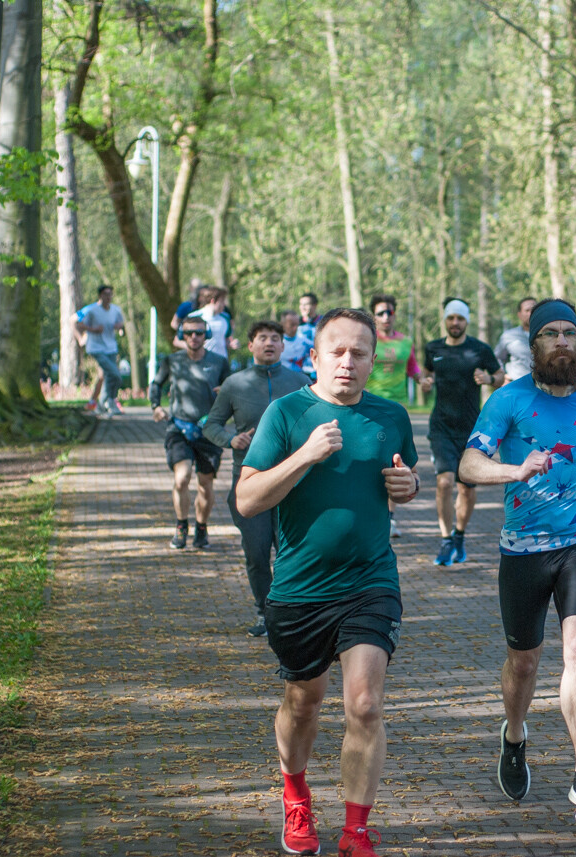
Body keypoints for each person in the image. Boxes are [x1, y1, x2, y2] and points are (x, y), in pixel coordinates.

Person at [235, 308, 419, 857]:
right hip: (298, 589)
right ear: (313, 356)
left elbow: (401, 483)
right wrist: (306, 454)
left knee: (364, 704)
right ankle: (295, 796)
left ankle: (356, 831)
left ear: (372, 360)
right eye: (336, 351)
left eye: (359, 353)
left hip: (370, 581)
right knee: (304, 702)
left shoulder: (391, 416)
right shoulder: (286, 413)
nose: (347, 362)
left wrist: (407, 485)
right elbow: (247, 499)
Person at [460, 297, 576, 823]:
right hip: (522, 550)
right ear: (533, 345)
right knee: (525, 661)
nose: (561, 341)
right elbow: (468, 463)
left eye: (569, 334)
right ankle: (514, 734)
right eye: (550, 334)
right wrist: (512, 471)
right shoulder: (507, 401)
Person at [203, 320, 310, 638]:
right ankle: (266, 613)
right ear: (250, 346)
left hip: (294, 483)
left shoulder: (300, 381)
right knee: (257, 551)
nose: (269, 343)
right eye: (262, 338)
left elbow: (319, 418)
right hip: (249, 483)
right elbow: (212, 424)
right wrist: (230, 440)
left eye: (276, 338)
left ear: (282, 346)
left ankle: (293, 611)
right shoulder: (235, 384)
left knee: (292, 552)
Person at [420, 298, 503, 565]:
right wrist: (425, 382)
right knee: (444, 481)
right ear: (445, 320)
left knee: (466, 488)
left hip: (471, 429)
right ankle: (445, 540)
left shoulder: (480, 349)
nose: (455, 323)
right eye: (451, 318)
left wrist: (489, 379)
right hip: (441, 426)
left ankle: (459, 536)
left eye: (460, 318)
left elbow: (500, 375)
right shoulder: (433, 348)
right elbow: (426, 373)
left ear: (466, 321)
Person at [150, 316, 231, 550]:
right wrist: (156, 407)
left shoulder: (219, 361)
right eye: (188, 333)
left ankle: (202, 528)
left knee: (205, 483)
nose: (193, 337)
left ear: (206, 336)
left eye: (198, 333)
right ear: (182, 336)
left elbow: (232, 388)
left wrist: (225, 392)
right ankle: (181, 525)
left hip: (209, 429)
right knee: (182, 477)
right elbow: (156, 384)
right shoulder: (172, 361)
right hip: (179, 427)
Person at [366, 294, 422, 539]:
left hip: (395, 410)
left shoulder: (406, 342)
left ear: (395, 315)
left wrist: (424, 380)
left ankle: (388, 520)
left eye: (389, 312)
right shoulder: (368, 340)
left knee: (394, 463)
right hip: (368, 406)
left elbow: (413, 369)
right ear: (373, 317)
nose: (386, 317)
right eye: (380, 313)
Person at [75, 285, 126, 417]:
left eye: (110, 294)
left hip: (111, 348)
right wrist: (84, 336)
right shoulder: (90, 309)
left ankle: (101, 403)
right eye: (105, 294)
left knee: (106, 376)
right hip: (96, 348)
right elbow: (74, 321)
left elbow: (121, 324)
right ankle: (109, 401)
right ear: (100, 296)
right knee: (114, 375)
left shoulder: (116, 310)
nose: (108, 297)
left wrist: (119, 327)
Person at [494, 296, 536, 383]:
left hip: (544, 387)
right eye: (527, 310)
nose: (531, 313)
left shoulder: (549, 335)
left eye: (534, 309)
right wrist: (503, 376)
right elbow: (497, 358)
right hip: (517, 385)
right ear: (519, 315)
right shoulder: (509, 336)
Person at [189, 286, 238, 358]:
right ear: (213, 301)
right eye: (222, 301)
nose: (224, 304)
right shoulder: (193, 317)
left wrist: (232, 343)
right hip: (201, 362)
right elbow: (177, 341)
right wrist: (194, 347)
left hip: (221, 363)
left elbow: (227, 340)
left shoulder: (226, 318)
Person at [279, 310, 310, 375]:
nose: (295, 328)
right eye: (292, 325)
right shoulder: (276, 343)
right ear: (282, 324)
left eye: (297, 324)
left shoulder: (304, 342)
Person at [298, 293, 320, 381]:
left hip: (317, 371)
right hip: (299, 372)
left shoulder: (324, 323)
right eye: (301, 304)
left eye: (306, 304)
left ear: (315, 306)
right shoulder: (295, 324)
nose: (303, 307)